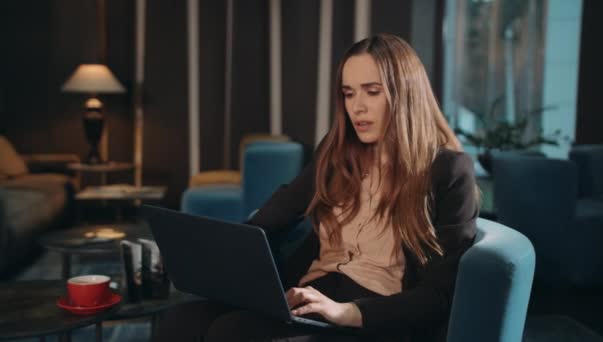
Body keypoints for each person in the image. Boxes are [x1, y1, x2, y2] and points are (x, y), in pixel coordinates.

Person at [155, 33, 479, 342]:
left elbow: (440, 296)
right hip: (313, 294)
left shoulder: (448, 170)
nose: (357, 107)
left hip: (373, 317)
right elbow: (271, 219)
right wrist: (205, 254)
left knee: (235, 332)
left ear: (405, 92)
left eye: (372, 91)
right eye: (349, 93)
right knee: (180, 320)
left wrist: (346, 312)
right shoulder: (337, 151)